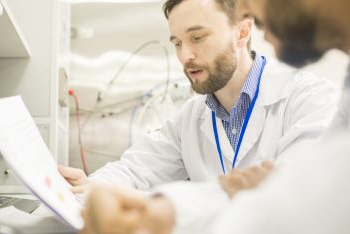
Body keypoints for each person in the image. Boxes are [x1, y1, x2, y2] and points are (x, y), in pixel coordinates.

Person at [79, 0, 350, 233]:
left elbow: (297, 197)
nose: (185, 56)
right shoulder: (190, 118)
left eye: (198, 38)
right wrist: (88, 186)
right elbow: (135, 169)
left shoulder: (311, 99)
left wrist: (167, 211)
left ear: (242, 32)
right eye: (177, 43)